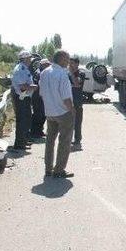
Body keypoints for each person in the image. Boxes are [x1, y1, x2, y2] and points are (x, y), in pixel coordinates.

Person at [39, 50, 75, 178]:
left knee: (50, 141)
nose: (68, 62)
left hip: (49, 112)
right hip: (63, 112)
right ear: (61, 59)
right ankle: (59, 170)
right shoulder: (62, 74)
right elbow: (66, 98)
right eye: (67, 59)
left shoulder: (44, 73)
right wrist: (72, 110)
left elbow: (41, 93)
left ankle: (48, 169)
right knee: (64, 141)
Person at [11, 51, 37, 151]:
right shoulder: (20, 69)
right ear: (25, 59)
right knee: (22, 121)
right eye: (29, 58)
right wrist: (33, 87)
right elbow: (22, 85)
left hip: (25, 97)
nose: (31, 60)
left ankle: (23, 141)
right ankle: (19, 144)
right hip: (21, 97)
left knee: (26, 120)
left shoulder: (24, 68)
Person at [29, 58, 50, 139]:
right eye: (47, 65)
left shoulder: (45, 72)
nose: (48, 66)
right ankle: (34, 132)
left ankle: (39, 131)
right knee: (38, 114)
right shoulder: (39, 73)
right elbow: (39, 85)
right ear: (42, 65)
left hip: (43, 96)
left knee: (43, 114)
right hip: (37, 97)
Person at [68, 57, 84, 151]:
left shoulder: (80, 73)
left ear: (77, 64)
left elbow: (77, 84)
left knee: (77, 122)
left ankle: (77, 140)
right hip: (68, 102)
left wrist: (71, 74)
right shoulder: (67, 73)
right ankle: (68, 139)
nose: (70, 65)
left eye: (72, 63)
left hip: (77, 101)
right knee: (68, 122)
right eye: (69, 63)